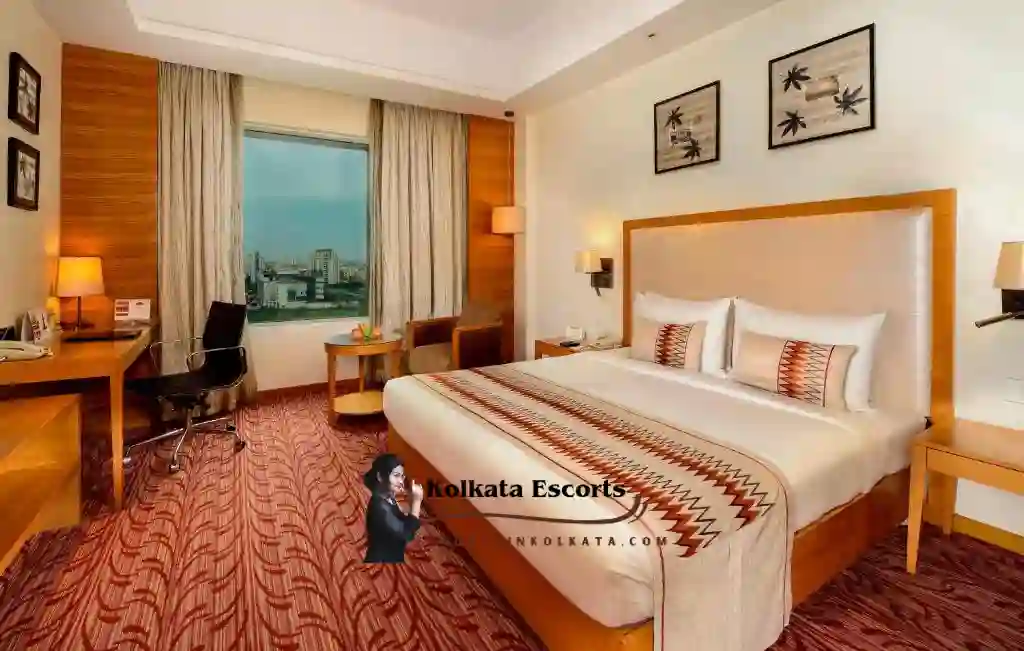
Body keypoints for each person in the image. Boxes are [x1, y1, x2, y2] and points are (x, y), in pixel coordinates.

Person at [363, 453, 423, 563]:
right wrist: (417, 502)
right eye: (396, 476)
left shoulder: (387, 498)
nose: (401, 481)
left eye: (402, 476)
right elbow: (407, 534)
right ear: (380, 477)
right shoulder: (380, 508)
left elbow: (402, 522)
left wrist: (411, 504)